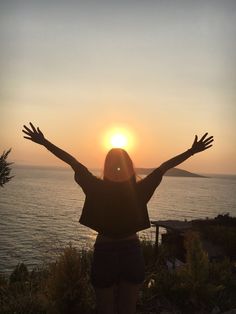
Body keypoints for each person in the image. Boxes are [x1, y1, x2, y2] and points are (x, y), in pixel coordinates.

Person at [22, 122, 214, 314]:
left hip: (104, 251)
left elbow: (72, 161)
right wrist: (191, 151)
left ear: (106, 166)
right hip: (131, 251)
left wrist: (44, 142)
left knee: (104, 309)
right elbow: (164, 167)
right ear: (129, 166)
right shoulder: (139, 190)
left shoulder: (95, 187)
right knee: (127, 309)